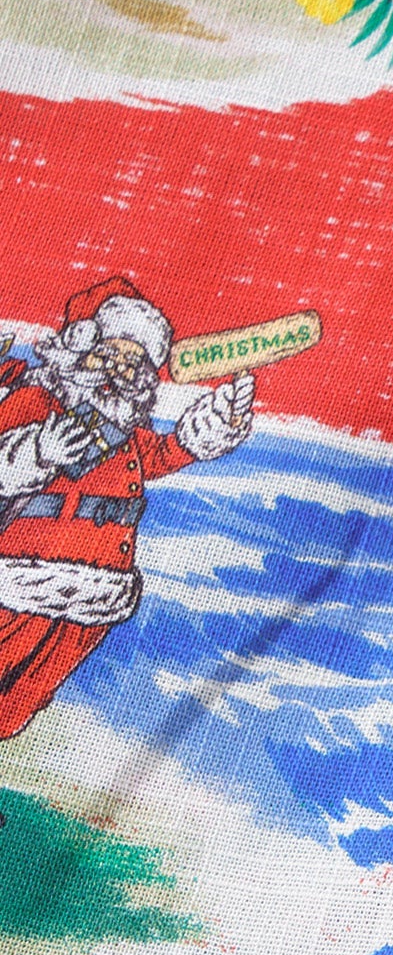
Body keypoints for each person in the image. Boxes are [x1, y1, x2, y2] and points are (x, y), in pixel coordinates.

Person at [0, 277, 253, 740]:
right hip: (19, 575)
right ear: (79, 349)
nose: (121, 370)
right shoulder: (36, 400)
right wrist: (38, 450)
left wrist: (207, 428)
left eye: (135, 363)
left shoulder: (127, 432)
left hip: (97, 594)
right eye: (111, 354)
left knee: (23, 700)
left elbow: (163, 454)